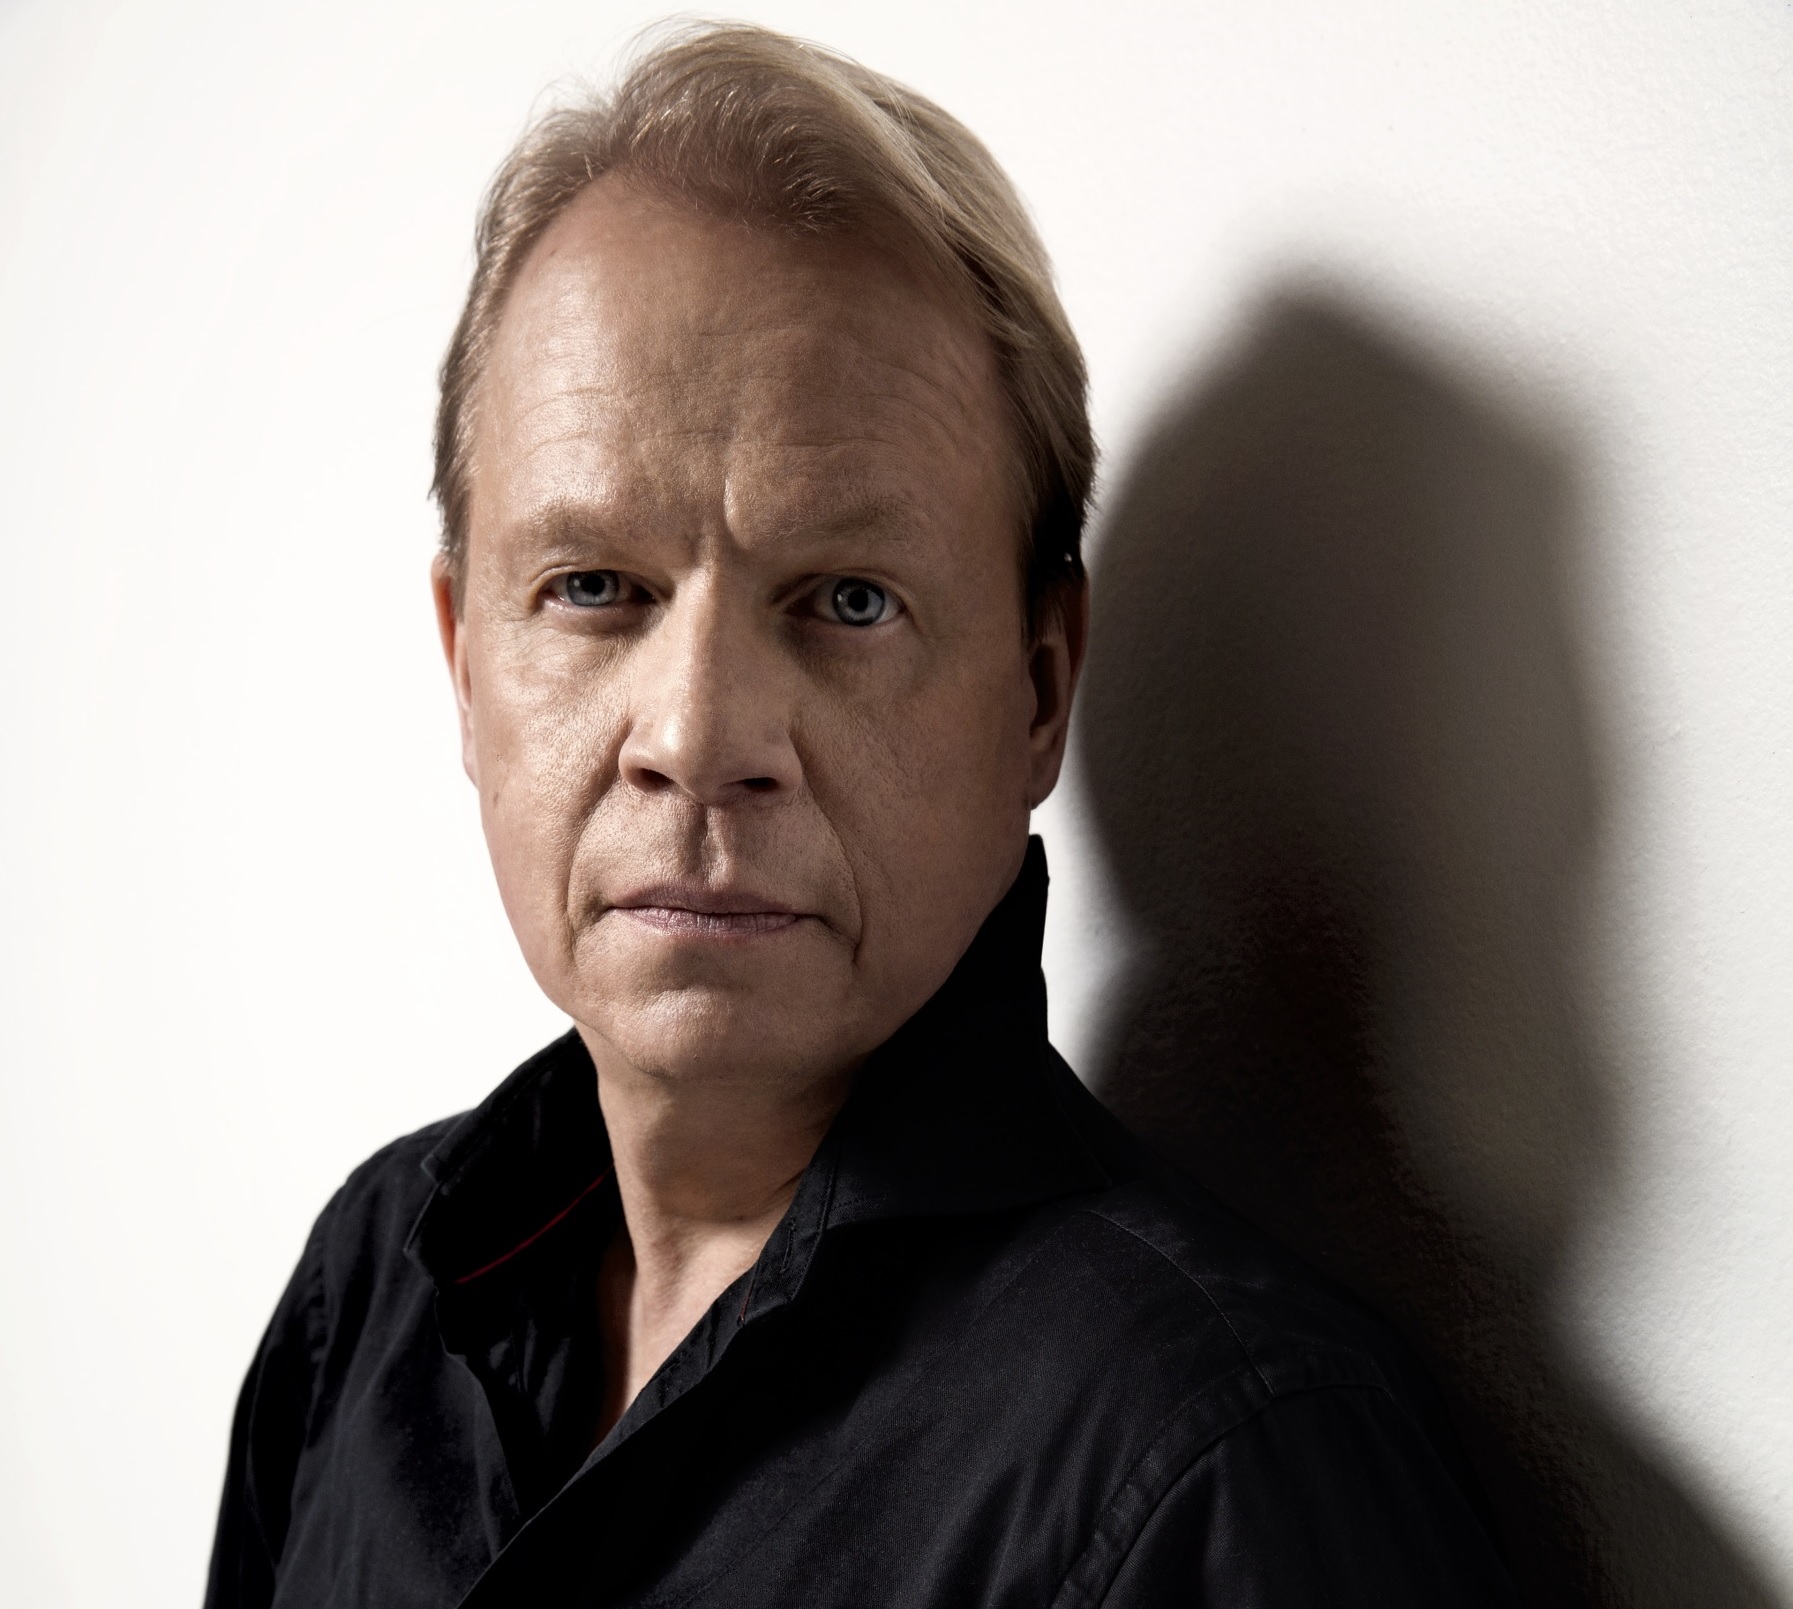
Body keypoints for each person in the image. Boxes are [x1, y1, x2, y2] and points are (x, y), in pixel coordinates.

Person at [205, 23, 1520, 1607]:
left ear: (1037, 691)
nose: (695, 738)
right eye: (594, 587)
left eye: (843, 597)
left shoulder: (1218, 1465)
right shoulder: (369, 1293)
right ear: (466, 662)